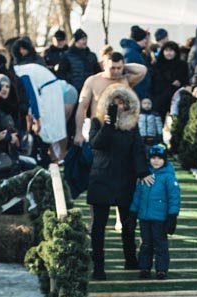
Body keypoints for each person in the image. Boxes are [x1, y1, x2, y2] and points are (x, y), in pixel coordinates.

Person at [87, 84, 148, 280]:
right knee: (98, 227)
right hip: (101, 179)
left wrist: (143, 172)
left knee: (129, 224)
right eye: (114, 103)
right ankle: (98, 267)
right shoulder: (97, 121)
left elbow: (138, 150)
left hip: (125, 179)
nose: (118, 107)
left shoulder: (132, 125)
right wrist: (108, 124)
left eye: (122, 103)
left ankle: (131, 260)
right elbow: (96, 144)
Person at [73, 51, 147, 145]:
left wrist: (124, 66)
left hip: (121, 128)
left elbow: (142, 70)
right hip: (99, 128)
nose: (116, 71)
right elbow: (82, 107)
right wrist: (79, 132)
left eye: (119, 68)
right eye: (112, 68)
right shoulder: (93, 81)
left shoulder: (125, 80)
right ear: (105, 66)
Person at [129, 143, 180, 279]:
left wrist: (172, 215)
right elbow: (138, 195)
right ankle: (145, 267)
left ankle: (161, 269)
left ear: (165, 160)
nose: (156, 161)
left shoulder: (168, 177)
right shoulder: (145, 175)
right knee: (146, 244)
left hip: (160, 218)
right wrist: (133, 212)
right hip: (145, 217)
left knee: (160, 244)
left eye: (159, 158)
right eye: (153, 158)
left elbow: (174, 197)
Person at [150, 41, 187, 119]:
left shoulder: (182, 65)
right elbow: (154, 81)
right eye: (166, 50)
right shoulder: (157, 65)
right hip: (160, 99)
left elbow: (185, 79)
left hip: (176, 99)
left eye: (171, 50)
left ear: (176, 52)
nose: (168, 53)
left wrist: (180, 81)